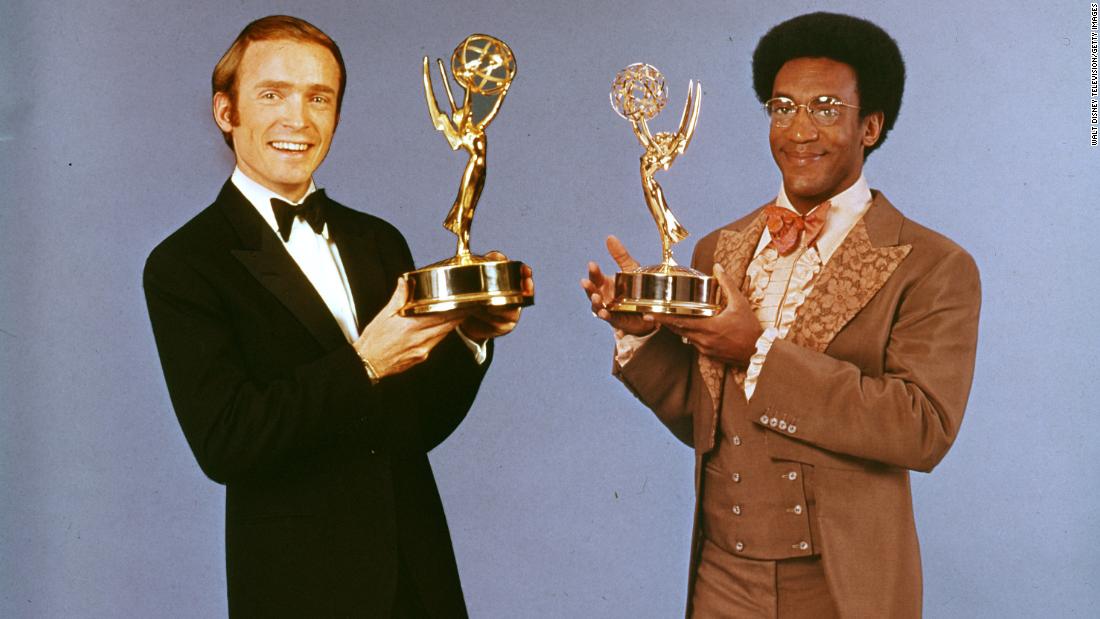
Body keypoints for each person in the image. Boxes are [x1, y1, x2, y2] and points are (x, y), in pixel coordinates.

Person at [582, 12, 980, 618]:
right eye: (782, 107)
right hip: (721, 576)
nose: (799, 130)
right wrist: (639, 338)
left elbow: (921, 428)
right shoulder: (719, 249)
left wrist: (756, 349)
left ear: (870, 125)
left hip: (841, 584)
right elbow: (707, 419)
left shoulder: (931, 264)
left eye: (825, 108)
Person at [143, 15, 530, 617]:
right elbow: (227, 443)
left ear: (337, 115)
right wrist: (363, 363)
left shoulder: (377, 240)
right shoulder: (184, 264)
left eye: (318, 98)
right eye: (272, 94)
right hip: (299, 589)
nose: (298, 120)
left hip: (419, 578)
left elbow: (413, 426)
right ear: (227, 112)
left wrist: (469, 341)